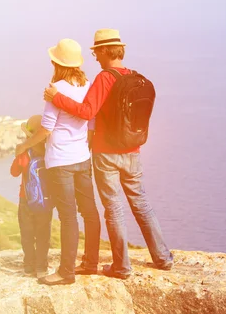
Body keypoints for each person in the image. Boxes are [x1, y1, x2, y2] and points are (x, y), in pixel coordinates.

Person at [44, 29, 173, 279]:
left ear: (104, 51)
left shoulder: (105, 78)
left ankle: (122, 267)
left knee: (113, 209)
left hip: (107, 154)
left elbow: (86, 111)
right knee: (141, 205)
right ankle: (163, 257)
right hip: (133, 151)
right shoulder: (135, 77)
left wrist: (56, 97)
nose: (95, 57)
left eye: (96, 52)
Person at [16, 38, 101, 286]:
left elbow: (46, 130)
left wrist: (24, 146)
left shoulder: (55, 90)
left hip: (61, 162)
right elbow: (92, 123)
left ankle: (66, 272)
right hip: (82, 158)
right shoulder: (89, 86)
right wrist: (85, 148)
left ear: (56, 62)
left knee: (68, 217)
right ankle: (91, 263)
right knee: (89, 211)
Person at [10, 114, 53, 279]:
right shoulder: (50, 153)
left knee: (27, 234)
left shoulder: (25, 154)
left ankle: (29, 266)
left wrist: (18, 154)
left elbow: (14, 172)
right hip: (46, 200)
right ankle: (42, 267)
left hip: (26, 199)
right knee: (43, 234)